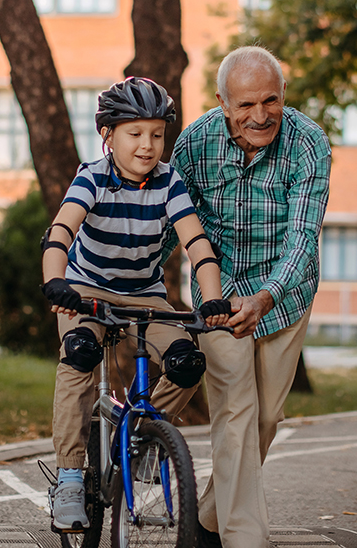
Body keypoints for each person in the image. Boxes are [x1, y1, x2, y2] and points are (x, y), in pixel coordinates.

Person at [40, 76, 233, 531]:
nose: (148, 145)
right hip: (85, 291)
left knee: (188, 360)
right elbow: (60, 232)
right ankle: (69, 477)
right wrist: (55, 281)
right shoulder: (92, 176)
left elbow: (197, 244)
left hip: (145, 296)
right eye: (135, 133)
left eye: (157, 134)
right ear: (108, 135)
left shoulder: (169, 182)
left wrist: (214, 296)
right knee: (79, 355)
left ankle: (142, 438)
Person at [168, 46, 331, 548]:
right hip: (218, 295)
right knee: (235, 414)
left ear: (283, 95)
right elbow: (170, 221)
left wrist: (263, 297)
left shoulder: (309, 144)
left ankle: (208, 520)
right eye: (245, 105)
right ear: (222, 102)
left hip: (283, 298)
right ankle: (245, 540)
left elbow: (303, 238)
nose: (260, 116)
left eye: (270, 101)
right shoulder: (194, 144)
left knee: (263, 420)